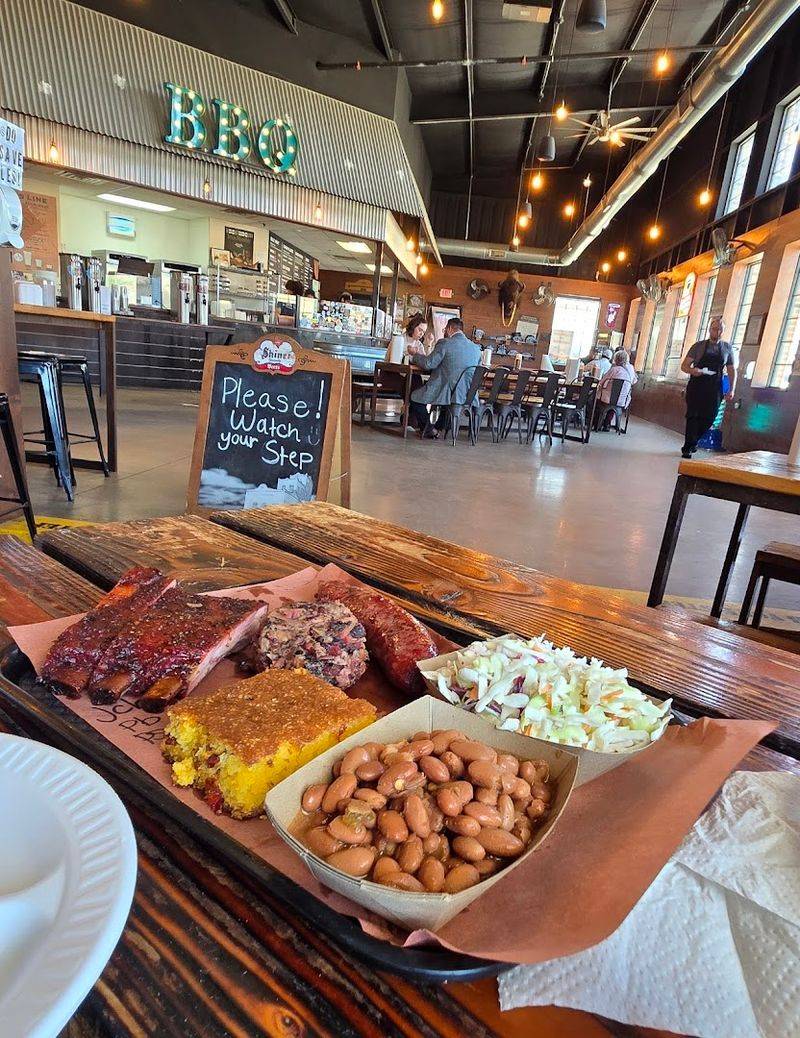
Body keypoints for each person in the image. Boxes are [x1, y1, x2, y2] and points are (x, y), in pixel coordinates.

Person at [407, 318, 481, 438]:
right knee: (446, 403)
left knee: (415, 397)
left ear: (450, 328)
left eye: (445, 329)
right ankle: (437, 428)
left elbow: (428, 364)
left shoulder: (445, 343)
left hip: (445, 389)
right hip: (465, 393)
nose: (444, 332)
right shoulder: (476, 349)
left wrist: (414, 356)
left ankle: (428, 428)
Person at [679, 316, 736, 458]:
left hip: (715, 386)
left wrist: (731, 388)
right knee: (693, 416)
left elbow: (731, 369)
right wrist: (694, 371)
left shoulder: (727, 348)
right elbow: (684, 366)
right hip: (697, 384)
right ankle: (688, 447)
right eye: (715, 329)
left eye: (720, 329)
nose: (717, 332)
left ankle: (694, 441)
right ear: (710, 329)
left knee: (710, 416)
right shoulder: (698, 346)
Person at [596, 349, 638, 429]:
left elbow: (601, 382)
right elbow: (634, 381)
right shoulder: (631, 369)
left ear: (616, 359)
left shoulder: (614, 369)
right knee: (613, 400)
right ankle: (607, 423)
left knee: (597, 400)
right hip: (622, 401)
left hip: (607, 399)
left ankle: (596, 423)